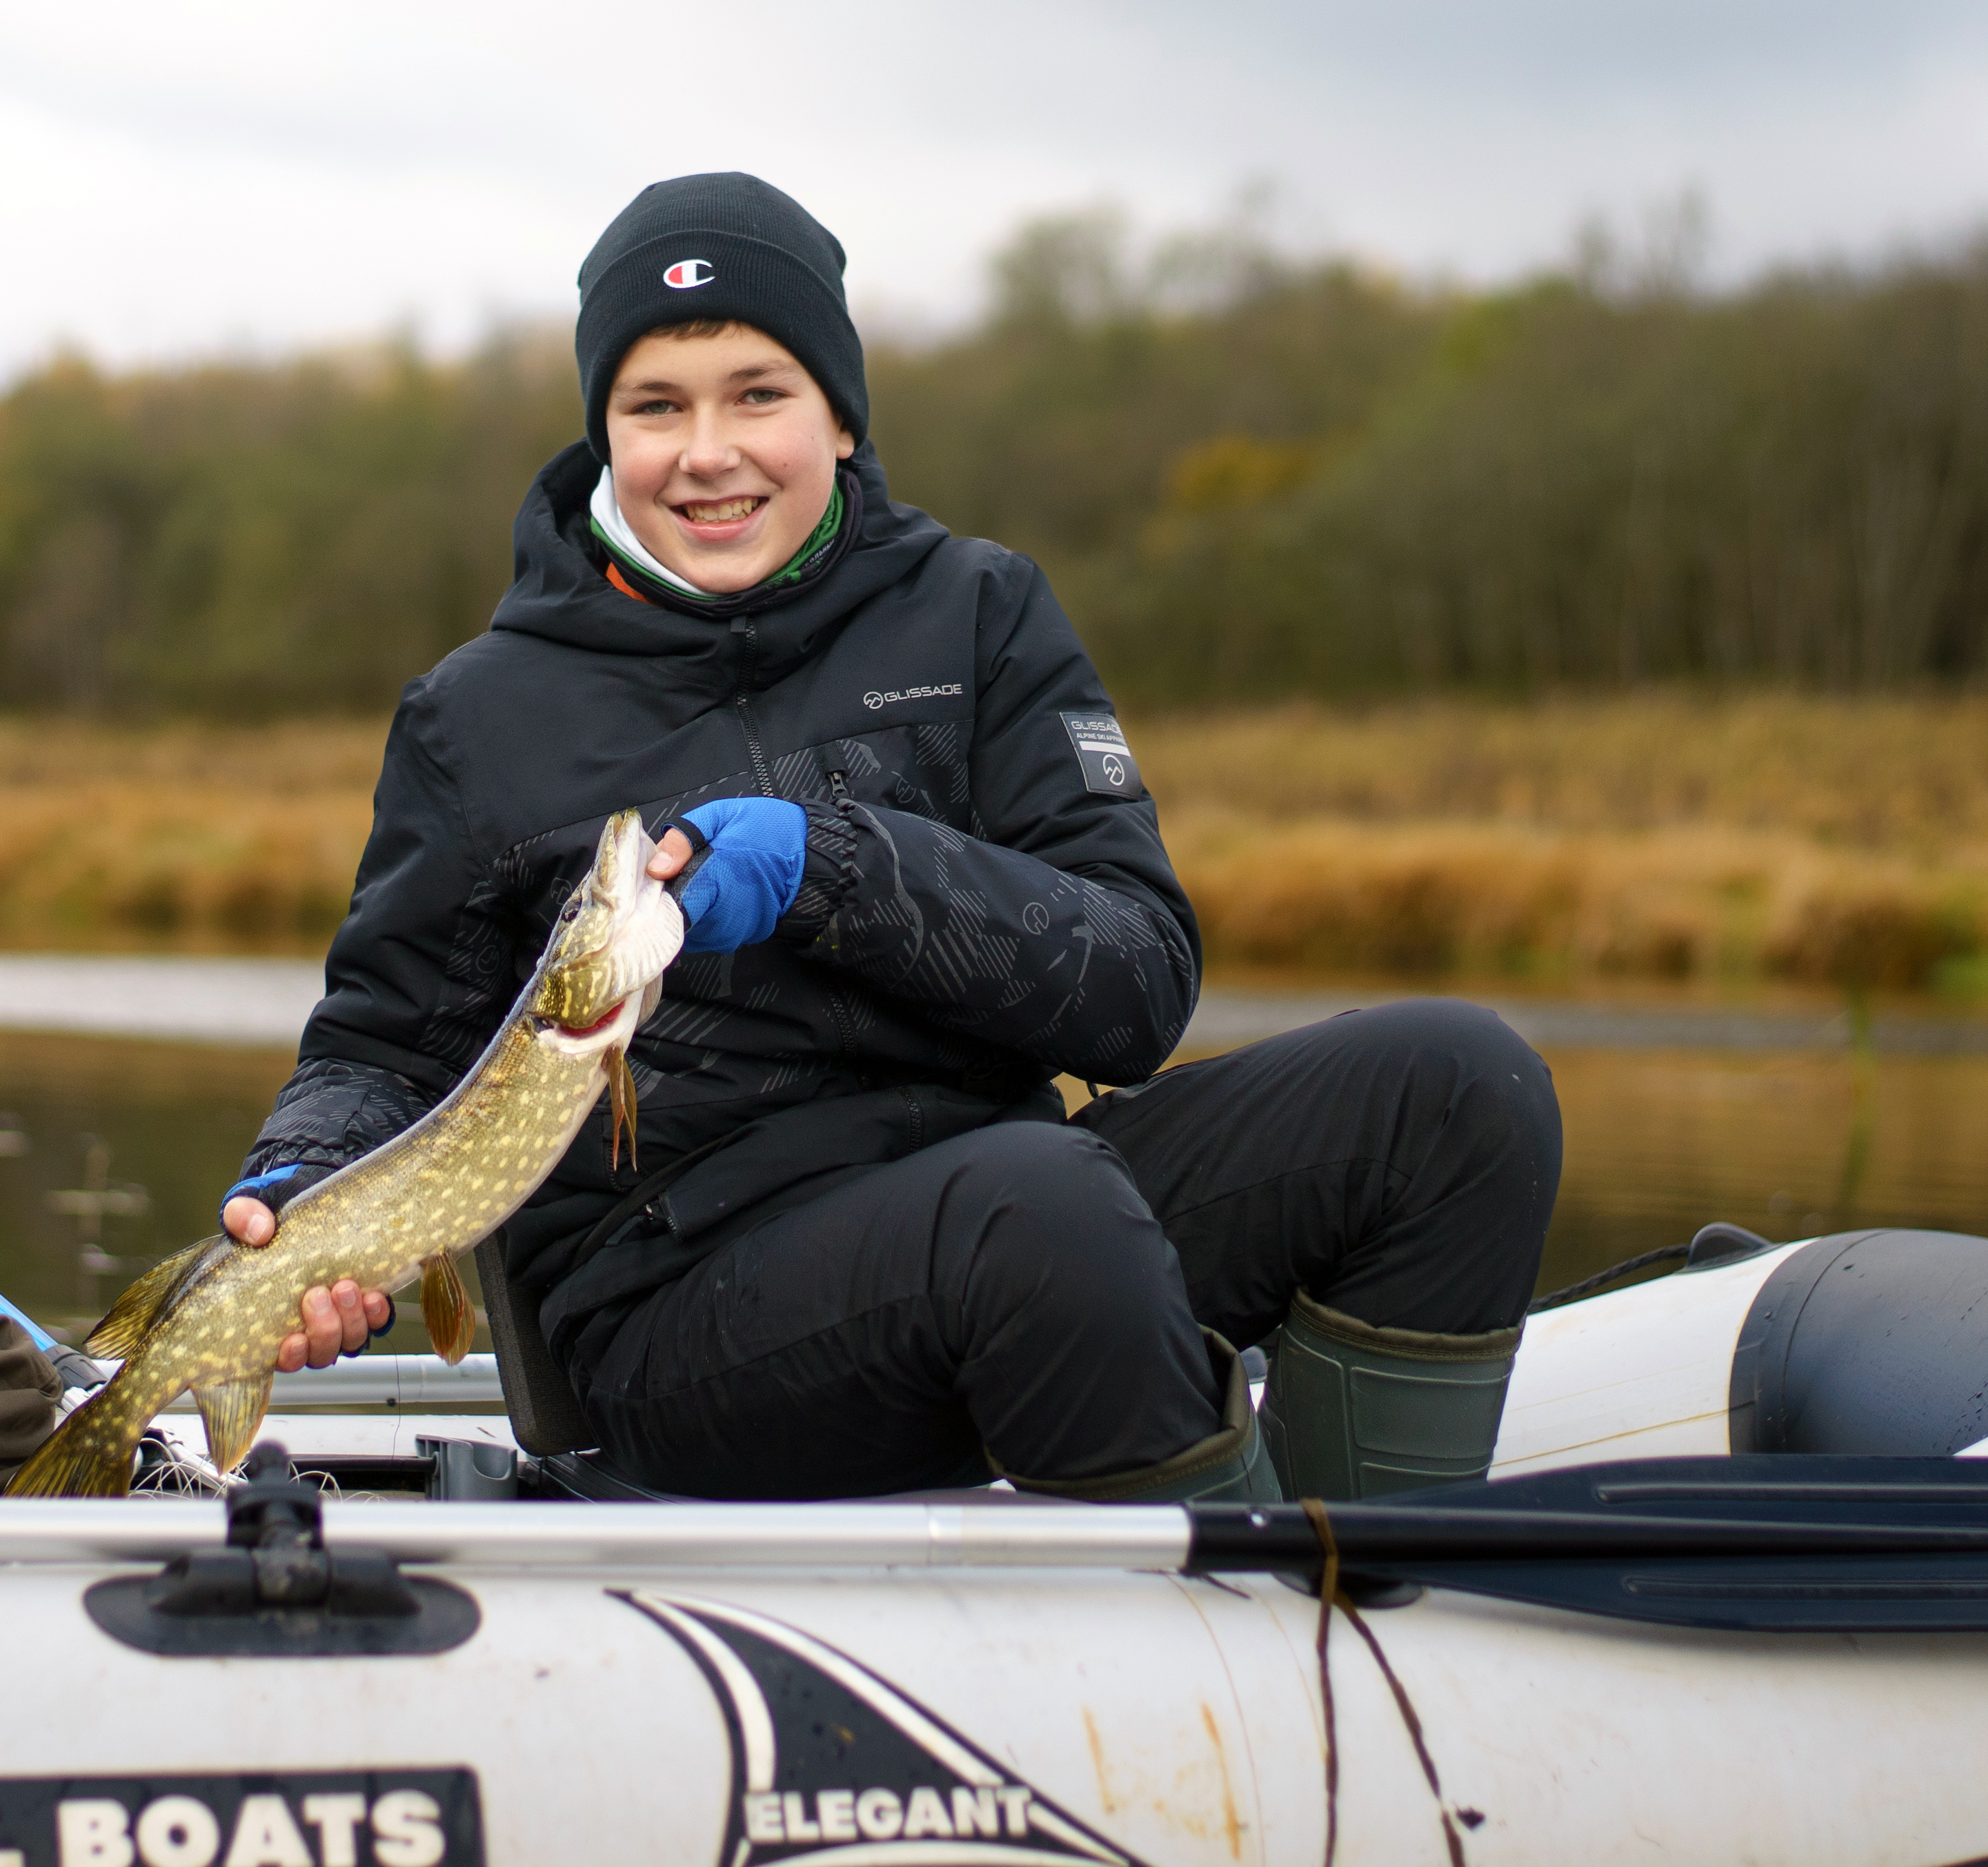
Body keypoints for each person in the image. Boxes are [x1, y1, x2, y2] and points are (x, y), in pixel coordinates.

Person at [219, 173, 1560, 1502]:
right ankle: (1249, 1632)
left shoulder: (977, 612)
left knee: (1455, 1088)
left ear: (841, 418)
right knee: (1036, 1206)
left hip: (1020, 1223)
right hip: (679, 1327)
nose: (707, 450)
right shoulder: (480, 713)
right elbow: (385, 1047)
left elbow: (1136, 984)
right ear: (603, 434)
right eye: (655, 406)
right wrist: (310, 1182)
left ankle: (1377, 1595)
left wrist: (836, 868)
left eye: (759, 393)